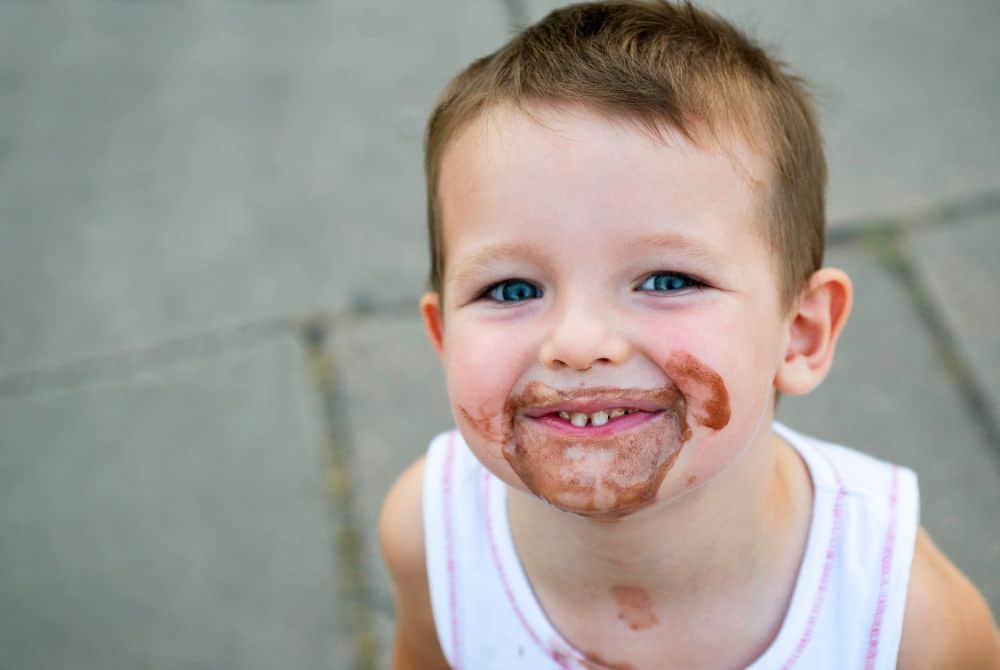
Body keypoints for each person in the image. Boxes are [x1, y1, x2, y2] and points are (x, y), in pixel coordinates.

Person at [378, 2, 1000, 668]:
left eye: (668, 280)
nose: (580, 341)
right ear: (443, 337)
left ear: (800, 333)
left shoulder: (905, 622)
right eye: (512, 290)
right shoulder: (431, 531)